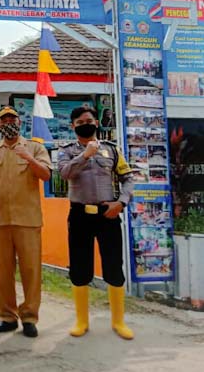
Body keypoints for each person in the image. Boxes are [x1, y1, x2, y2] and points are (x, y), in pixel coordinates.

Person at [57, 106, 135, 340]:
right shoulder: (67, 151)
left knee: (113, 265)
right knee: (80, 268)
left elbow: (127, 178)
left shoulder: (112, 150)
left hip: (107, 214)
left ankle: (118, 321)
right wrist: (85, 155)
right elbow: (64, 174)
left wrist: (121, 202)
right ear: (73, 126)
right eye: (80, 122)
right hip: (80, 215)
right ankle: (82, 321)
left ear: (96, 123)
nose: (85, 125)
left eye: (89, 120)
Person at [0, 106, 51, 338]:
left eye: (12, 119)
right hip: (0, 220)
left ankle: (29, 317)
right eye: (3, 120)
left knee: (31, 270)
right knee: (2, 272)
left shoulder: (35, 148)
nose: (8, 122)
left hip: (28, 220)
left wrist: (29, 158)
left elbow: (46, 175)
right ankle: (7, 316)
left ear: (20, 123)